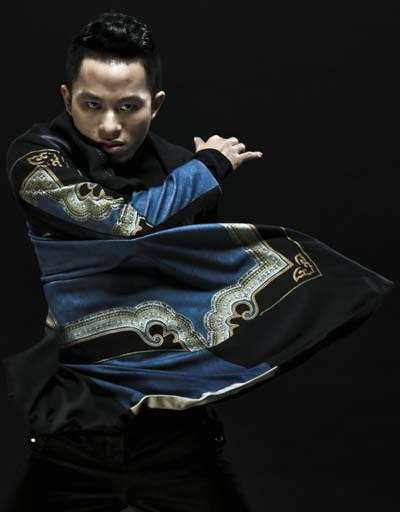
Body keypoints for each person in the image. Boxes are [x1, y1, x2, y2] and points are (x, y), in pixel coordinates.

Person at [3, 9, 394, 512]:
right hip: (75, 426)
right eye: (91, 104)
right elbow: (120, 222)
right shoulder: (37, 157)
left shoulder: (182, 171)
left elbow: (193, 283)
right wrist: (208, 167)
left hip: (175, 431)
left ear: (156, 105)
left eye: (128, 107)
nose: (108, 125)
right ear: (66, 98)